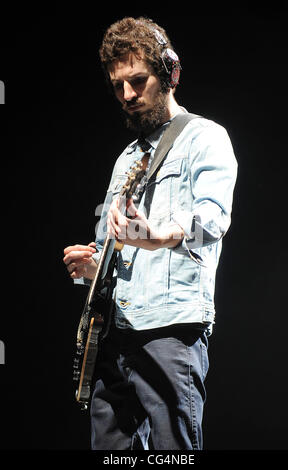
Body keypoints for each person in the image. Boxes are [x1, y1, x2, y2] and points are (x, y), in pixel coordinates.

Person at [63, 16, 238, 450]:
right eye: (118, 85)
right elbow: (115, 247)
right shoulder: (125, 159)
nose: (127, 95)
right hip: (113, 334)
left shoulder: (205, 138)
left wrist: (156, 235)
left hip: (170, 329)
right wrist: (92, 266)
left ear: (170, 73)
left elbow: (212, 224)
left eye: (137, 81)